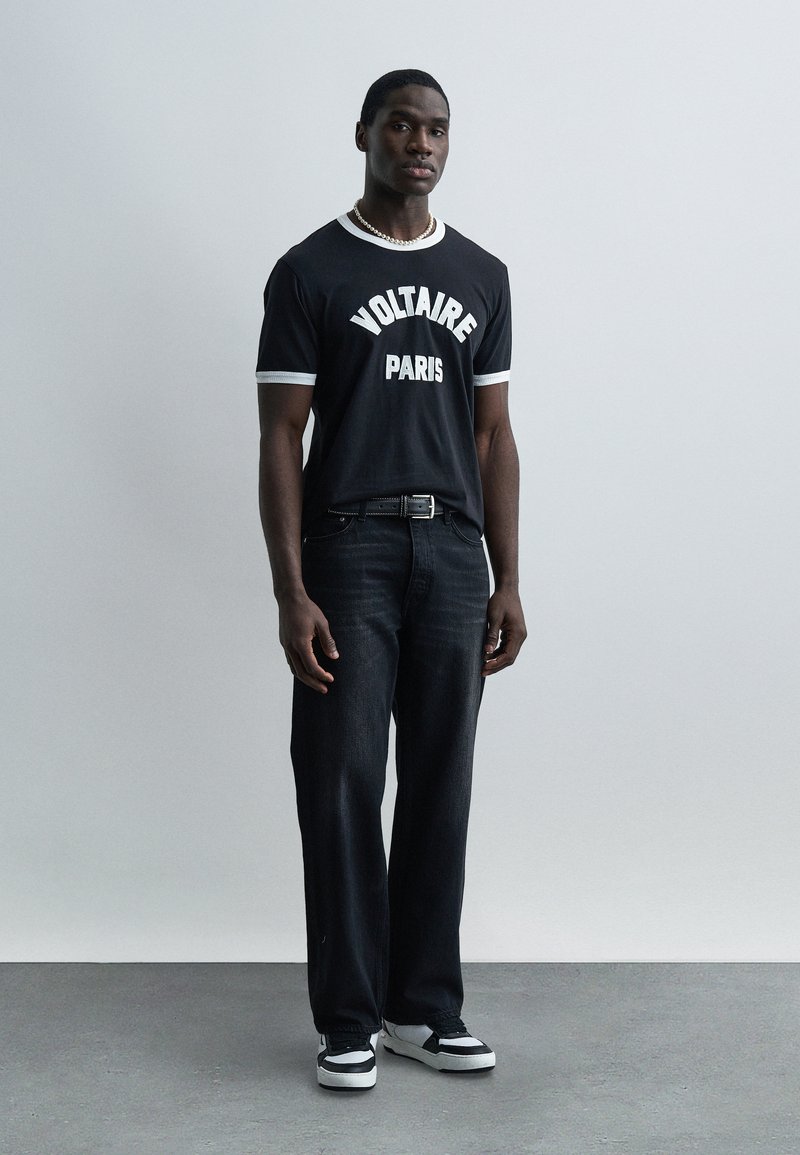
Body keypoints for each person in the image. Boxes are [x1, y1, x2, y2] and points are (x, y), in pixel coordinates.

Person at [256, 68, 526, 1091]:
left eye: (436, 130)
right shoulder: (308, 271)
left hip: (452, 555)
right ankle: (347, 1019)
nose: (420, 143)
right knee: (341, 781)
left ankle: (422, 1008)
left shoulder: (482, 275)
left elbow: (493, 435)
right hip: (350, 550)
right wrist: (291, 589)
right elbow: (281, 436)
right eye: (402, 126)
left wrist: (507, 574)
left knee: (440, 784)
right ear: (365, 134)